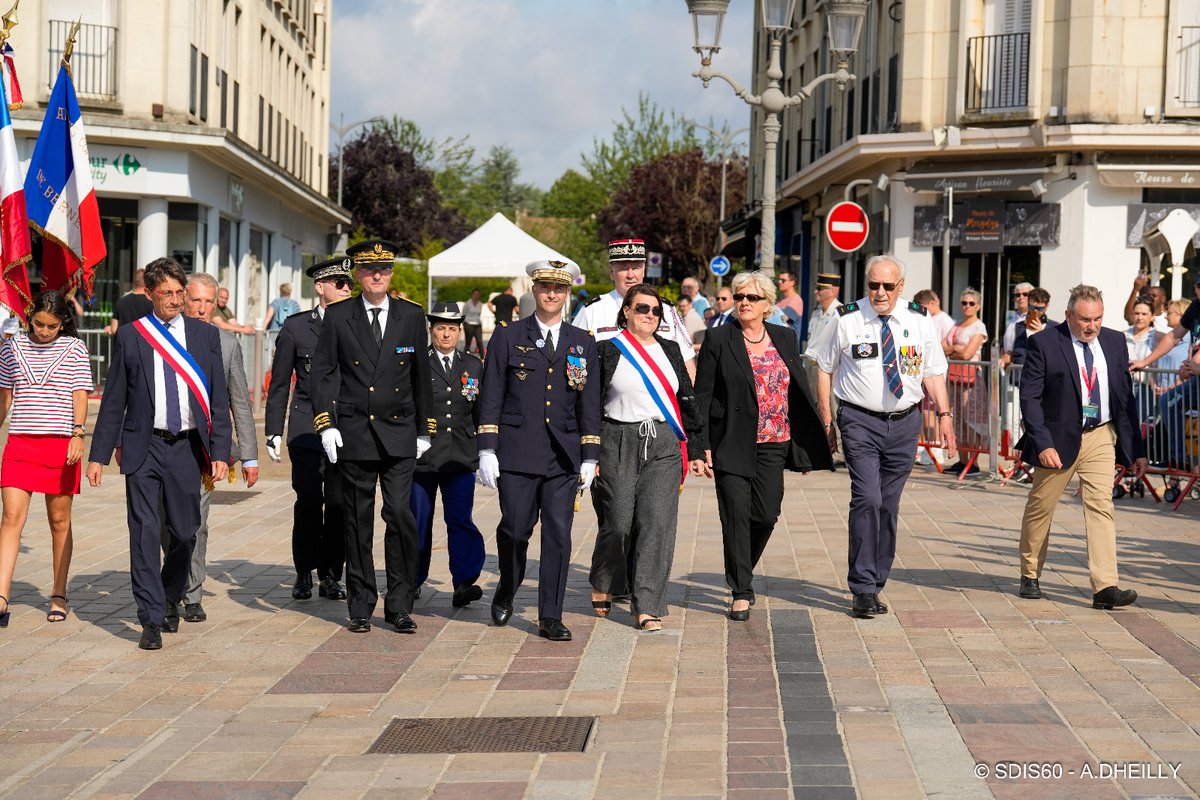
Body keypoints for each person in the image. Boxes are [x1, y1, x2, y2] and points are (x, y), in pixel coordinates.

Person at [86, 257, 232, 651]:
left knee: (186, 532)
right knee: (145, 533)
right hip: (143, 446)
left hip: (186, 447)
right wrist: (97, 455)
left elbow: (219, 399)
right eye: (165, 292)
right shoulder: (133, 335)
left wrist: (221, 451)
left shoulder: (204, 337)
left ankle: (170, 594)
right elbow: (115, 397)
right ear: (149, 294)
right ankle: (150, 618)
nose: (173, 299)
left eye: (178, 291)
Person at [811, 255, 956, 620]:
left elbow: (934, 372)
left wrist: (945, 415)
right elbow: (824, 370)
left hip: (905, 423)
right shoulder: (845, 318)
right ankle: (861, 587)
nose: (879, 292)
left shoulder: (919, 319)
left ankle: (876, 580)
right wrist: (828, 422)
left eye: (887, 286)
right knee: (867, 499)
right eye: (873, 285)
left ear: (901, 286)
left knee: (888, 505)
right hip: (859, 421)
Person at [692, 270, 833, 621]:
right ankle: (741, 590)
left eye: (751, 298)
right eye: (739, 297)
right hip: (731, 441)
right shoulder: (718, 338)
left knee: (766, 515)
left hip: (776, 441)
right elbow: (703, 396)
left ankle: (741, 566)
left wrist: (806, 442)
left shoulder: (785, 337)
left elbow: (796, 390)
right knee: (735, 516)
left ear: (767, 304)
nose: (743, 303)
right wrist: (700, 445)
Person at [310, 239, 434, 634]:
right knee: (356, 521)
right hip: (356, 432)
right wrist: (326, 423)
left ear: (391, 273)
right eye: (368, 270)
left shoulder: (411, 316)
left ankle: (399, 603)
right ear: (357, 274)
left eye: (383, 269)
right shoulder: (340, 314)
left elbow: (421, 377)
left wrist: (424, 429)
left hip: (399, 432)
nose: (376, 276)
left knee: (399, 515)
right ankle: (361, 604)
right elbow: (324, 372)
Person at [477, 258, 601, 642]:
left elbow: (589, 403)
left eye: (559, 289)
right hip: (517, 451)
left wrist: (591, 456)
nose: (552, 294)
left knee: (559, 535)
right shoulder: (507, 336)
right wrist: (486, 450)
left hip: (563, 455)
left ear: (567, 294)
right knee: (515, 530)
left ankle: (550, 614)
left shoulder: (582, 341)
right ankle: (508, 585)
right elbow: (491, 395)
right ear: (534, 290)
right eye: (545, 287)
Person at [1015, 285, 1146, 609]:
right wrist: (1042, 442)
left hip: (1101, 436)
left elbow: (1124, 398)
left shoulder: (1114, 342)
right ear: (1069, 315)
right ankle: (1030, 573)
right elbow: (1030, 398)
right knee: (1041, 507)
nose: (1092, 326)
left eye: (1098, 319)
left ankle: (1105, 586)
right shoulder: (1044, 343)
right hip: (1057, 441)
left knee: (1101, 505)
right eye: (1086, 319)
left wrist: (1137, 448)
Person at [590, 284, 705, 631]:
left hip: (663, 443)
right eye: (642, 309)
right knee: (619, 520)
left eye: (655, 311)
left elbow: (687, 400)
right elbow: (591, 404)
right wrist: (589, 451)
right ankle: (604, 578)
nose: (649, 316)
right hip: (617, 440)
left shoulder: (670, 350)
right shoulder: (606, 350)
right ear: (626, 311)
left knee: (657, 524)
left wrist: (697, 449)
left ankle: (648, 604)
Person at [160, 274, 259, 624]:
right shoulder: (163, 336)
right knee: (166, 523)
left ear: (217, 303)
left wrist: (248, 454)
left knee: (196, 524)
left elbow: (239, 401)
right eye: (195, 301)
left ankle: (191, 593)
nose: (201, 309)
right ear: (183, 300)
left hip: (205, 449)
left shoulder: (227, 343)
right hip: (163, 443)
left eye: (208, 302)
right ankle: (172, 583)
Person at [0, 292, 93, 627]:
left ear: (63, 322)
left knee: (59, 522)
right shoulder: (11, 348)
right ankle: (1, 596)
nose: (44, 331)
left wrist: (78, 434)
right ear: (30, 318)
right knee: (11, 517)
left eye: (52, 326)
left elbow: (80, 392)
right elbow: (5, 398)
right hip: (20, 444)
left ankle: (58, 593)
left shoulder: (75, 349)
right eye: (38, 323)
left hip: (59, 445)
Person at [266, 257, 352, 603]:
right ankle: (304, 570)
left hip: (345, 427)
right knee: (309, 501)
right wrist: (273, 428)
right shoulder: (297, 327)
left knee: (338, 503)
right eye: (340, 283)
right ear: (321, 287)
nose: (347, 288)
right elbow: (281, 382)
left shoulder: (358, 324)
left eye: (349, 284)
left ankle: (331, 574)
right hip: (305, 427)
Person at [411, 302, 486, 607]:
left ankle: (464, 582)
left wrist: (487, 451)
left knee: (460, 520)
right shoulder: (419, 363)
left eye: (451, 328)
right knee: (417, 519)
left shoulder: (473, 365)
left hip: (460, 455)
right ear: (432, 330)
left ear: (459, 331)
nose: (446, 334)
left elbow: (481, 412)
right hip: (423, 456)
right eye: (440, 328)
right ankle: (412, 579)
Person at [572, 238, 697, 381]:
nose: (631, 275)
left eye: (636, 267)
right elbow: (575, 362)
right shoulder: (592, 311)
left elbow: (687, 363)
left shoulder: (667, 310)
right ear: (611, 271)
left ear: (644, 270)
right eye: (624, 268)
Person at [944, 288, 988, 476]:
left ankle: (973, 462)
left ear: (978, 305)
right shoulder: (956, 325)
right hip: (954, 378)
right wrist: (956, 348)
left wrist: (953, 349)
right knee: (958, 421)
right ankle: (962, 462)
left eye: (971, 303)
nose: (967, 306)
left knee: (972, 420)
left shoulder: (979, 327)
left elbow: (968, 353)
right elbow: (941, 347)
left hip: (971, 380)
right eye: (964, 303)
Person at [1125, 298, 1162, 420]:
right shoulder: (1122, 335)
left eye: (1144, 314)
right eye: (1136, 313)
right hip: (1124, 387)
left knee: (1141, 425)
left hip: (1146, 389)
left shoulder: (1158, 337)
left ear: (1152, 317)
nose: (1140, 317)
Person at [108, 268, 152, 334]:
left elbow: (114, 329)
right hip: (146, 341)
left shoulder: (121, 301)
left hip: (125, 341)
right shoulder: (153, 302)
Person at [806, 272, 841, 349]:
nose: (815, 292)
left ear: (832, 291)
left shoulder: (841, 314)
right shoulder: (816, 312)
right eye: (816, 288)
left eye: (819, 289)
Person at [1001, 282, 1033, 350]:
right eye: (1018, 295)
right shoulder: (1013, 316)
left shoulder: (1034, 317)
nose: (1021, 297)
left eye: (1025, 294)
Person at [461, 289, 485, 356]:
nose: (476, 296)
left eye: (478, 294)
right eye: (475, 294)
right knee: (468, 342)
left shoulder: (480, 303)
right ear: (472, 295)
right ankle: (465, 357)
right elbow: (463, 314)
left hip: (477, 324)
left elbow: (479, 314)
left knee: (479, 342)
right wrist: (464, 325)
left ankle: (482, 358)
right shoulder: (467, 303)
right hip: (468, 324)